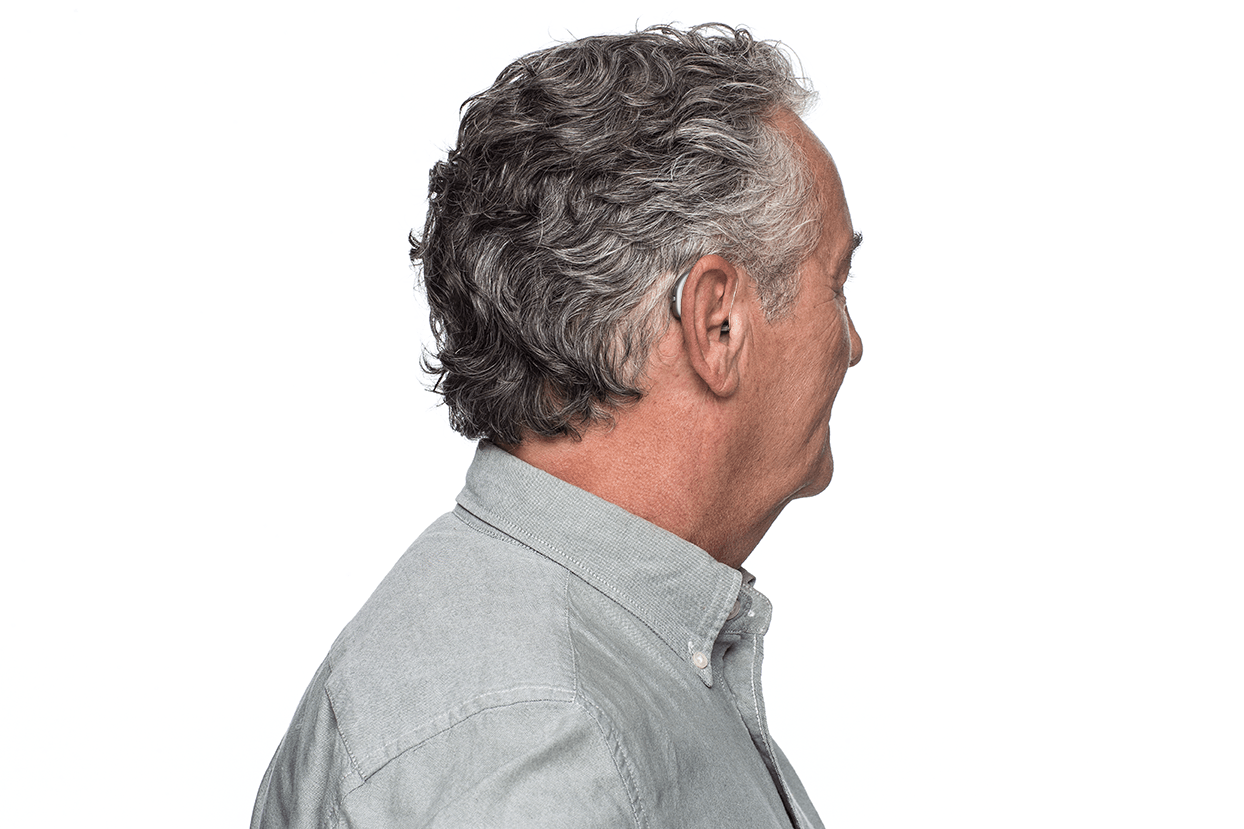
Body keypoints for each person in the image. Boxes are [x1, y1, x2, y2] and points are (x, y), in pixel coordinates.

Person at [251, 23, 863, 829]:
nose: (853, 345)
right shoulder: (538, 730)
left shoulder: (583, 668)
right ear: (718, 326)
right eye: (837, 281)